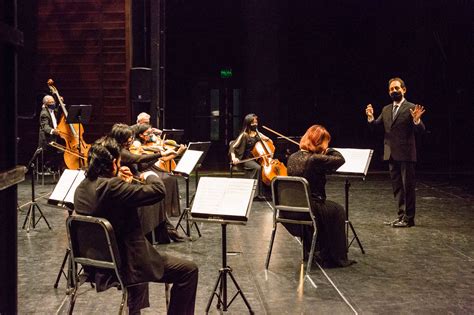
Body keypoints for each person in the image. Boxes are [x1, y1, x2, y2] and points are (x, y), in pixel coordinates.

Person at [74, 137, 198, 314]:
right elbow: (158, 191)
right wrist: (148, 174)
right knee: (189, 270)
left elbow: (112, 203)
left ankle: (135, 311)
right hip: (127, 264)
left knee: (144, 255)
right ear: (114, 164)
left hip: (95, 263)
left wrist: (123, 181)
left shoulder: (82, 187)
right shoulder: (112, 187)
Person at [283, 124, 354, 268]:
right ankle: (335, 257)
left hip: (288, 208)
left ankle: (315, 249)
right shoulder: (314, 159)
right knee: (337, 210)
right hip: (309, 208)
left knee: (329, 209)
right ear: (318, 142)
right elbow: (340, 159)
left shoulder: (292, 157)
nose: (327, 145)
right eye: (326, 141)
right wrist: (328, 150)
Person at [109, 123, 187, 243]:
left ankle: (163, 233)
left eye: (131, 137)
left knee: (158, 196)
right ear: (120, 138)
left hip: (137, 180)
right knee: (155, 194)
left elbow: (142, 165)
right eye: (128, 138)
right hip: (129, 183)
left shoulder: (126, 149)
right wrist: (160, 154)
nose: (131, 139)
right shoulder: (119, 151)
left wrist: (161, 157)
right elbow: (138, 159)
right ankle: (156, 233)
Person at [365, 77, 426, 228]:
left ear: (404, 90)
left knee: (408, 187)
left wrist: (417, 121)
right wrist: (371, 118)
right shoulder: (386, 109)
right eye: (391, 89)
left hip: (406, 154)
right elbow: (377, 126)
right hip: (391, 153)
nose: (394, 91)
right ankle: (401, 216)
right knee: (398, 187)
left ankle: (409, 219)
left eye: (397, 88)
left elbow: (421, 131)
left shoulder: (411, 107)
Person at [229, 113, 271, 199]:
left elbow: (268, 140)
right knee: (258, 168)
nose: (255, 124)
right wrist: (234, 157)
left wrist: (269, 145)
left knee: (264, 169)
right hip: (246, 159)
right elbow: (232, 147)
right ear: (248, 124)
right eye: (253, 123)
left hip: (256, 159)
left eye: (256, 122)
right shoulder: (244, 135)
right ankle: (254, 194)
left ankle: (264, 193)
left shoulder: (257, 134)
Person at [37, 95, 62, 171]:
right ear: (46, 103)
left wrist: (60, 103)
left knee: (60, 150)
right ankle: (48, 165)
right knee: (58, 152)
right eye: (51, 102)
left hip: (53, 138)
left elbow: (57, 112)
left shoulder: (52, 110)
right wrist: (53, 131)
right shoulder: (44, 113)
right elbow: (45, 127)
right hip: (47, 140)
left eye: (53, 101)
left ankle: (53, 167)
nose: (53, 103)